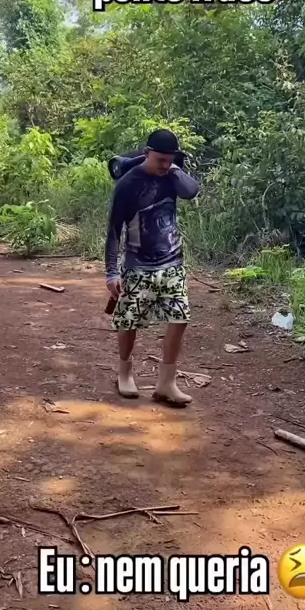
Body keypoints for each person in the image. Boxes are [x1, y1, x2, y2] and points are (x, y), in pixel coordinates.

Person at [105, 129, 199, 406]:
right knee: (129, 320)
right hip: (137, 265)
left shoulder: (171, 176)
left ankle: (166, 383)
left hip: (172, 262)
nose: (164, 165)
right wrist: (112, 272)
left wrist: (175, 170)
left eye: (170, 160)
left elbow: (191, 191)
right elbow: (114, 231)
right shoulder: (128, 184)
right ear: (146, 153)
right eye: (160, 160)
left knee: (180, 318)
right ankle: (125, 373)